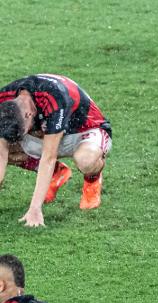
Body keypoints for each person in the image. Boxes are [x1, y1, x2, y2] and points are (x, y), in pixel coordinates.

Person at [0, 74, 112, 227]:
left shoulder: (55, 98)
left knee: (85, 160)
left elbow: (48, 157)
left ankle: (92, 179)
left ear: (28, 114)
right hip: (48, 133)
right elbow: (1, 154)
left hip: (84, 131)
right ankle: (57, 173)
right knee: (9, 147)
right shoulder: (4, 98)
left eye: (21, 132)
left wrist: (35, 209)